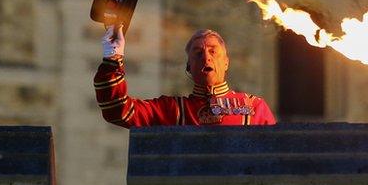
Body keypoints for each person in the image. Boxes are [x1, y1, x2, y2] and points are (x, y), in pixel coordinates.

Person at [94, 25, 276, 127]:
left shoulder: (254, 107)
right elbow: (118, 111)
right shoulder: (171, 110)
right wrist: (113, 57)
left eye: (213, 51)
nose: (206, 56)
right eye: (198, 53)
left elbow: (276, 156)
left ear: (227, 62)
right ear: (189, 67)